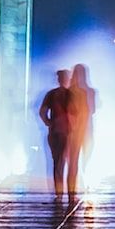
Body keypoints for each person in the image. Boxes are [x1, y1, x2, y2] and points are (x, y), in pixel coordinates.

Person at [37, 68, 76, 197]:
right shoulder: (71, 95)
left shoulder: (52, 94)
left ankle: (59, 191)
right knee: (66, 162)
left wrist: (49, 123)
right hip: (66, 132)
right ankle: (65, 190)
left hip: (56, 132)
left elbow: (42, 112)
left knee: (57, 162)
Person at [67, 63, 97, 193]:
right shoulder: (90, 91)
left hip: (73, 128)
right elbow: (93, 109)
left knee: (73, 159)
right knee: (86, 157)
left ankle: (72, 187)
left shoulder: (69, 92)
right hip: (86, 127)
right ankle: (86, 183)